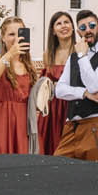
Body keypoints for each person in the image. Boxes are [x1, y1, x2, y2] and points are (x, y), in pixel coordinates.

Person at [52, 11, 98, 162]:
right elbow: (59, 90)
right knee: (58, 170)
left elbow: (94, 85)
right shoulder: (73, 56)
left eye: (92, 25)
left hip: (95, 126)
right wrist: (84, 93)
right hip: (71, 127)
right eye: (83, 27)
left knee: (94, 179)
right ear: (78, 32)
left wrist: (82, 56)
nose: (88, 30)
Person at [0, 18, 36, 154]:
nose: (16, 38)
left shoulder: (29, 65)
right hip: (2, 123)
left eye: (20, 33)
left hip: (25, 125)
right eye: (11, 34)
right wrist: (10, 54)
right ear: (3, 38)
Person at [35, 10, 76, 156]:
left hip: (73, 106)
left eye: (67, 22)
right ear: (53, 30)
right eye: (58, 23)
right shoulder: (48, 54)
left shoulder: (80, 50)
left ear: (72, 26)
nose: (63, 26)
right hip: (52, 109)